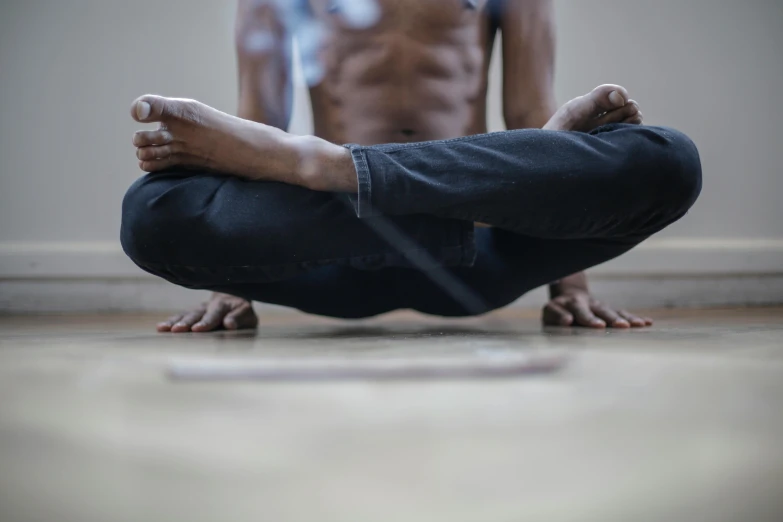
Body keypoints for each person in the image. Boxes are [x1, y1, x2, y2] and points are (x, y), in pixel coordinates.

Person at [121, 0, 701, 332]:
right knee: (151, 214)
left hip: (478, 248)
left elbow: (528, 113)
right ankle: (326, 172)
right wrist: (234, 280)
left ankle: (326, 166)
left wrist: (568, 284)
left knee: (667, 161)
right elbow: (254, 126)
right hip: (328, 256)